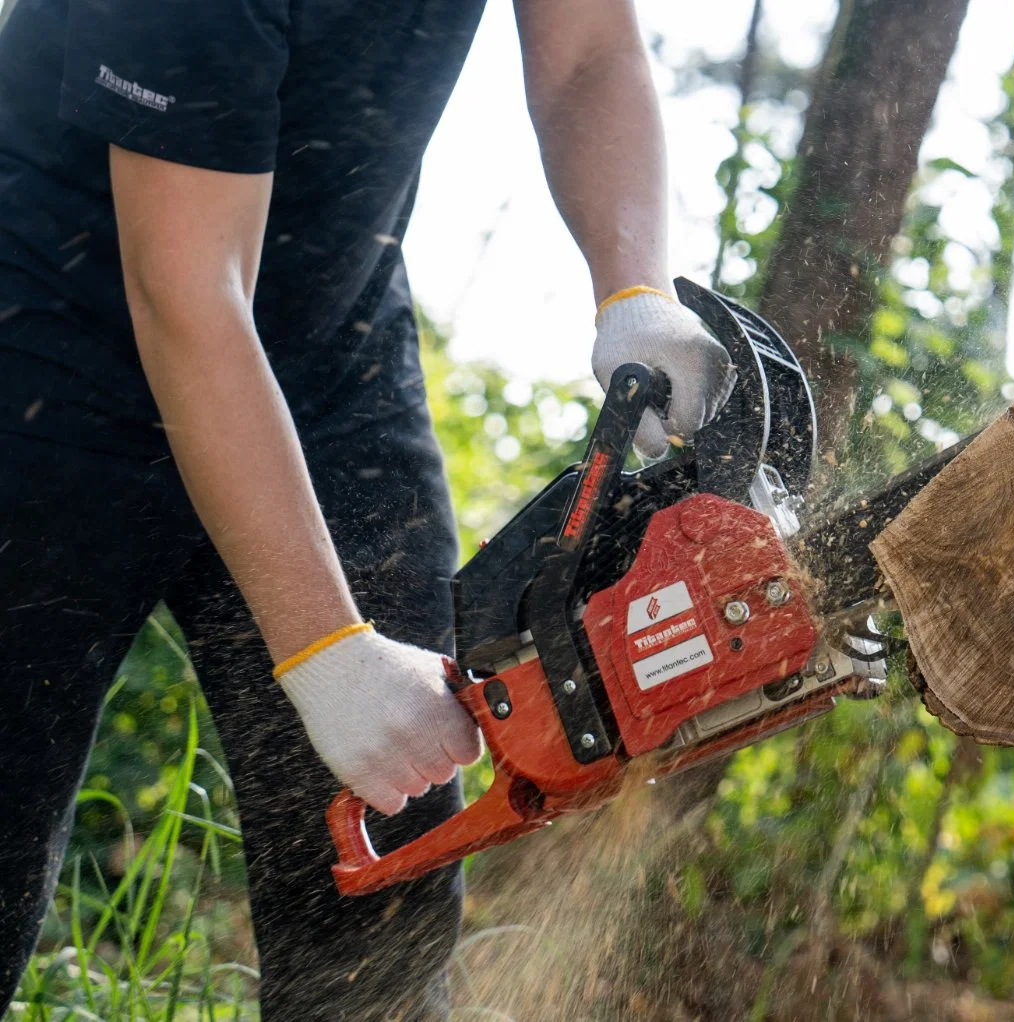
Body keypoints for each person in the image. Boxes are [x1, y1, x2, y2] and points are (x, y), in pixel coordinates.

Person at [0, 0, 735, 1015]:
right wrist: (324, 648)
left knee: (387, 875)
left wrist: (634, 292)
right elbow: (183, 289)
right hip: (45, 338)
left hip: (328, 350)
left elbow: (587, 54)